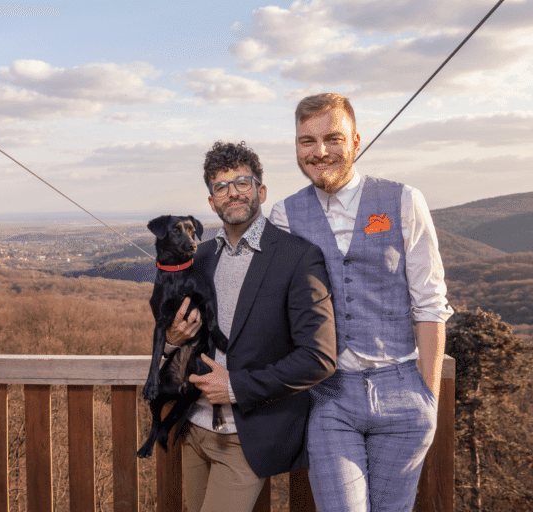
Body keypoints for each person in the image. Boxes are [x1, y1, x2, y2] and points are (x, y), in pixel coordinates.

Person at [269, 93, 453, 512]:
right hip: (330, 395)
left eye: (332, 138)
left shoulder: (404, 200)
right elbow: (273, 306)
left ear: (355, 141)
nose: (319, 152)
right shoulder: (285, 214)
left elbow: (430, 303)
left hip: (403, 389)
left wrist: (428, 398)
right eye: (306, 141)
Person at [164, 140, 337, 512]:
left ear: (260, 191)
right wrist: (171, 339)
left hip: (246, 437)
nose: (232, 193)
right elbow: (190, 334)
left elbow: (318, 358)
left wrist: (236, 387)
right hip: (193, 429)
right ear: (212, 202)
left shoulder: (298, 257)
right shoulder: (204, 256)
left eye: (242, 182)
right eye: (221, 187)